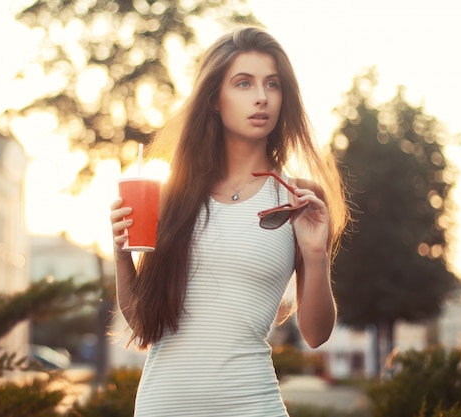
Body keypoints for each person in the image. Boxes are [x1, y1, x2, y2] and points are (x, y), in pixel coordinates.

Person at [109, 26, 349, 417]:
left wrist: (315, 253)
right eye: (243, 83)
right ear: (215, 99)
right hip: (162, 406)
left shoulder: (298, 199)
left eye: (272, 84)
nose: (261, 97)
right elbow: (143, 322)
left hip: (253, 406)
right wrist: (122, 256)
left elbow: (316, 333)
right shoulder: (171, 198)